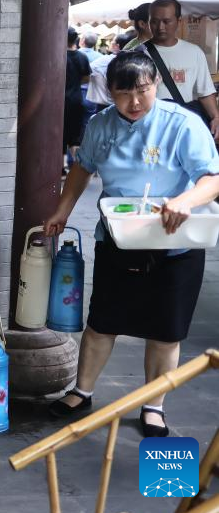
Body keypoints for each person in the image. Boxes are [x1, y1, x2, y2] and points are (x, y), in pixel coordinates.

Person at [45, 50, 219, 437]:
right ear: (110, 92)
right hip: (119, 237)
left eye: (143, 91)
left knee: (165, 330)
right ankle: (82, 391)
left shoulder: (183, 125)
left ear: (155, 84)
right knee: (102, 322)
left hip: (175, 242)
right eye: (124, 94)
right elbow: (83, 169)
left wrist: (184, 201)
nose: (135, 102)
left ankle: (154, 405)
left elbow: (212, 178)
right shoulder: (100, 125)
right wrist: (62, 211)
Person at [145, 0, 219, 139]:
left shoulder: (194, 52)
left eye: (166, 21)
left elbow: (205, 92)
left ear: (179, 21)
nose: (160, 27)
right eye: (154, 21)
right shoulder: (139, 54)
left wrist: (216, 117)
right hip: (151, 126)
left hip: (184, 125)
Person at [85, 31, 136, 112]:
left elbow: (87, 71)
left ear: (117, 46)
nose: (110, 44)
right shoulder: (133, 60)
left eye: (112, 42)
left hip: (104, 105)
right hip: (124, 103)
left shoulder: (105, 60)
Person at [64, 27, 92, 172]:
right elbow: (87, 77)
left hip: (59, 102)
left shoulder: (59, 56)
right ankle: (77, 168)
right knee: (75, 138)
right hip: (76, 100)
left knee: (60, 135)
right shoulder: (82, 57)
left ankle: (59, 168)